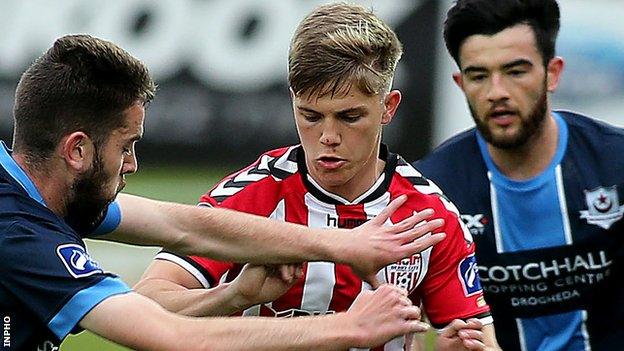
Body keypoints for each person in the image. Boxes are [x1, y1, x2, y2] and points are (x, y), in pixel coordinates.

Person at [0, 34, 446, 350]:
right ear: (77, 150)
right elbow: (173, 337)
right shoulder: (21, 234)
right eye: (126, 146)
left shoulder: (44, 191)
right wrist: (350, 327)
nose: (133, 164)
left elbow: (183, 225)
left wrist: (344, 245)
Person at [136, 3, 499, 351]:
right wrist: (234, 295)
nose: (328, 137)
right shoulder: (250, 197)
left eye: (349, 117)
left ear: (388, 107)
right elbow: (144, 308)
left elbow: (479, 337)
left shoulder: (430, 216)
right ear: (293, 99)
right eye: (310, 116)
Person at [414, 0, 624, 350]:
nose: (497, 92)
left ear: (552, 73)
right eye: (478, 76)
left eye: (515, 71)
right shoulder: (433, 190)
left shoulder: (616, 163)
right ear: (460, 83)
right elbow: (403, 330)